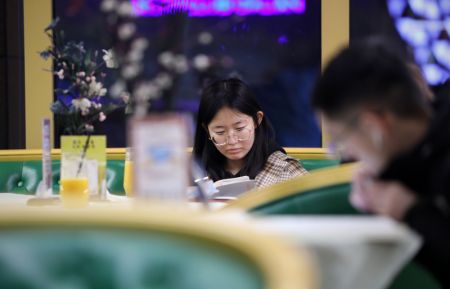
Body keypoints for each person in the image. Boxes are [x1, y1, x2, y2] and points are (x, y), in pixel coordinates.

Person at [311, 38, 450, 287]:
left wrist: (411, 213)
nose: (348, 153)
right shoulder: (421, 152)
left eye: (340, 140)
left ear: (374, 126)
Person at [193, 78, 307, 188]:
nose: (232, 141)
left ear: (257, 120)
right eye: (220, 132)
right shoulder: (193, 173)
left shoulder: (285, 171)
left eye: (240, 128)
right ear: (207, 130)